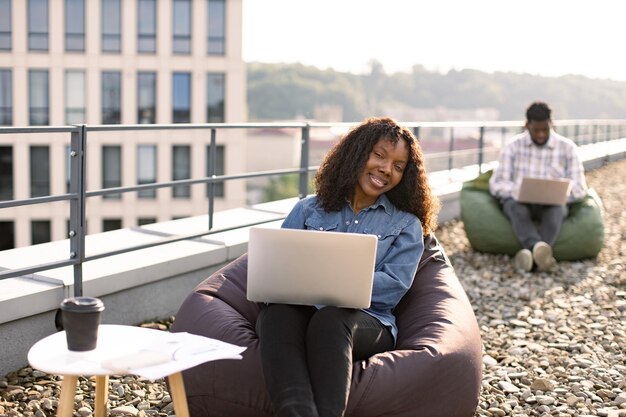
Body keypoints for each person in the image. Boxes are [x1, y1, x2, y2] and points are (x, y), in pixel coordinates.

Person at [255, 117, 439, 417]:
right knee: (275, 314)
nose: (386, 169)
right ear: (357, 153)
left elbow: (393, 287)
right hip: (301, 310)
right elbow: (276, 268)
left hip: (366, 320)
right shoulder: (308, 210)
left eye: (398, 165)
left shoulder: (406, 225)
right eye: (379, 155)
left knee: (330, 319)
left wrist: (330, 285)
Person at [489, 101, 587, 272]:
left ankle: (530, 255)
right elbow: (496, 184)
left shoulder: (567, 148)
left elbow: (580, 188)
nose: (541, 135)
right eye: (536, 130)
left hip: (552, 205)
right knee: (514, 206)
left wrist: (561, 193)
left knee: (556, 210)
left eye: (545, 129)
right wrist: (518, 190)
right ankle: (538, 252)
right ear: (527, 125)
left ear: (552, 124)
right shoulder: (512, 147)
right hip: (519, 203)